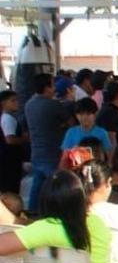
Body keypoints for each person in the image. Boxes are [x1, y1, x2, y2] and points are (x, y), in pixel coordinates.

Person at [24, 73, 71, 213]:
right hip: (53, 152)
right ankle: (56, 213)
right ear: (47, 87)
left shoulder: (29, 104)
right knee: (57, 186)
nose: (55, 88)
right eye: (53, 84)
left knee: (37, 186)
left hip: (36, 152)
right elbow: (71, 123)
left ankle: (32, 212)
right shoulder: (53, 104)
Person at [0, 89, 27, 196]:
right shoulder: (7, 118)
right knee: (11, 188)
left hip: (8, 159)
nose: (16, 103)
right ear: (3, 103)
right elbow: (10, 140)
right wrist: (25, 139)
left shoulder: (7, 117)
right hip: (10, 159)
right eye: (13, 100)